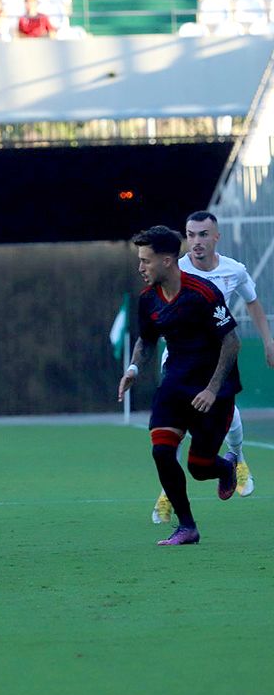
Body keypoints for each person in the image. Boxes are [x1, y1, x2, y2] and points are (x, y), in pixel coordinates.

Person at [118, 225, 240, 546]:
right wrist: (133, 368)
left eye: (146, 260)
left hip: (215, 389)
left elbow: (231, 342)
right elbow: (147, 341)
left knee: (199, 467)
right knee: (161, 450)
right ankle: (187, 527)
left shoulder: (202, 294)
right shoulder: (149, 300)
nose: (140, 267)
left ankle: (225, 466)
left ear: (168, 261)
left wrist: (213, 388)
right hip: (175, 385)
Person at [149, 211, 269, 523]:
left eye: (204, 234)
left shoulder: (234, 270)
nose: (197, 241)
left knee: (226, 417)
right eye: (191, 234)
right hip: (177, 362)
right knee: (169, 430)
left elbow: (253, 301)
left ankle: (238, 460)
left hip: (216, 359)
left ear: (216, 237)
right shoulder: (175, 269)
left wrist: (268, 340)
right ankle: (168, 494)